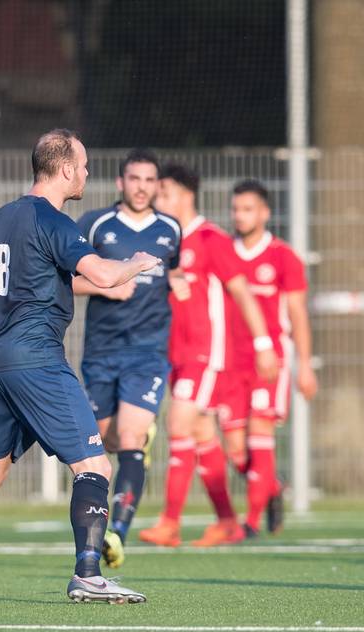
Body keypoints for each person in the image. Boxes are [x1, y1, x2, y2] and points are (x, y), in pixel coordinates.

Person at [0, 129, 159, 605]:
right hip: (37, 361)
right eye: (83, 166)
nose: (86, 173)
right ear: (66, 169)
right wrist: (137, 261)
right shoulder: (57, 223)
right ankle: (88, 573)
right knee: (94, 464)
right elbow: (104, 276)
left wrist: (4, 308)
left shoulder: (0, 219)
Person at [138, 163, 278, 547]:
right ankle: (228, 521)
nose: (157, 199)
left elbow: (243, 293)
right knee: (201, 433)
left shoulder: (211, 239)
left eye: (163, 192)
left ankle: (170, 522)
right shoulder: (164, 241)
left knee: (178, 423)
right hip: (176, 353)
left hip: (207, 354)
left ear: (184, 195)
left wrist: (264, 345)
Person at [73, 149, 181, 567]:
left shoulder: (171, 230)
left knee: (131, 439)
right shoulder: (97, 224)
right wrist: (103, 286)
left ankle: (116, 533)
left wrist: (179, 284)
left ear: (157, 185)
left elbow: (176, 273)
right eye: (134, 179)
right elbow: (64, 278)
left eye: (149, 180)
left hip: (148, 352)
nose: (141, 187)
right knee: (105, 443)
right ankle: (133, 443)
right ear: (121, 183)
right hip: (101, 352)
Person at [209, 180, 317, 540]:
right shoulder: (223, 251)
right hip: (230, 363)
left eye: (248, 209)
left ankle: (251, 521)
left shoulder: (284, 257)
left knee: (260, 435)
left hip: (269, 361)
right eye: (236, 209)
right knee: (237, 451)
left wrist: (304, 365)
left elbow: (298, 314)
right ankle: (272, 488)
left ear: (265, 213)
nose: (240, 216)